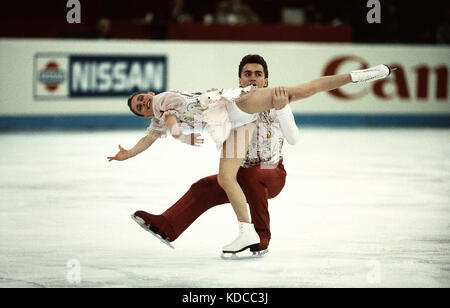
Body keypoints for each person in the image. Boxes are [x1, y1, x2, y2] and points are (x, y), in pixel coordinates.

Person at [107, 62, 392, 255]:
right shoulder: (155, 120)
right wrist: (127, 154)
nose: (145, 104)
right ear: (144, 115)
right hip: (236, 126)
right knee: (222, 179)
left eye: (142, 100)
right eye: (140, 108)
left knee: (303, 90)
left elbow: (171, 121)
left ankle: (364, 74)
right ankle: (241, 232)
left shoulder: (162, 101)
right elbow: (149, 138)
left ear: (149, 94)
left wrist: (181, 136)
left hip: (237, 109)